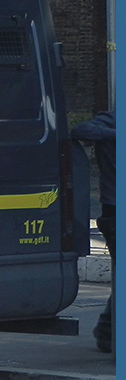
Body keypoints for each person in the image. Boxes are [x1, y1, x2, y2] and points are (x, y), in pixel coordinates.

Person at [72, 109, 115, 353]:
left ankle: (107, 328)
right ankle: (108, 330)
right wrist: (115, 135)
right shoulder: (111, 120)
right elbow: (79, 130)